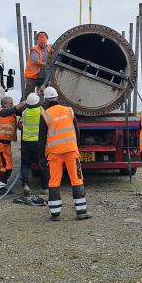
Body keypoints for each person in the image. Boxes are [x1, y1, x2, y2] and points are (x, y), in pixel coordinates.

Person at [38, 87, 91, 221]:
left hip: (54, 153)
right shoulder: (69, 110)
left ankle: (55, 214)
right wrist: (76, 146)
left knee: (54, 181)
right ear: (57, 97)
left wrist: (41, 157)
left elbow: (41, 138)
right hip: (71, 151)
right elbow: (77, 130)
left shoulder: (45, 114)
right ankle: (81, 212)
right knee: (76, 179)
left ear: (46, 99)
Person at [20, 92, 49, 196]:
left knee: (25, 164)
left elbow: (21, 125)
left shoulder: (25, 112)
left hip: (27, 142)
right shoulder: (41, 111)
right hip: (38, 142)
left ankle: (26, 185)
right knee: (42, 164)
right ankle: (45, 188)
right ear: (38, 102)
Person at [23, 31, 51, 97]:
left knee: (47, 92)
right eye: (41, 42)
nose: (43, 44)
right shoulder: (35, 49)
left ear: (46, 40)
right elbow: (35, 61)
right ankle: (24, 106)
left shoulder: (49, 48)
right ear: (38, 41)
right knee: (29, 95)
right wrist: (46, 64)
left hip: (43, 77)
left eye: (44, 42)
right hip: (32, 77)